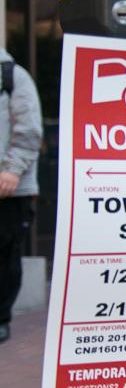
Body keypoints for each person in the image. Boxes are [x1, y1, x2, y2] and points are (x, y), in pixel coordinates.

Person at [0, 49, 43, 343]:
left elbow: (29, 130)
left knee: (4, 257)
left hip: (9, 189)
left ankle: (1, 319)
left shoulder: (13, 77)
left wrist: (12, 170)